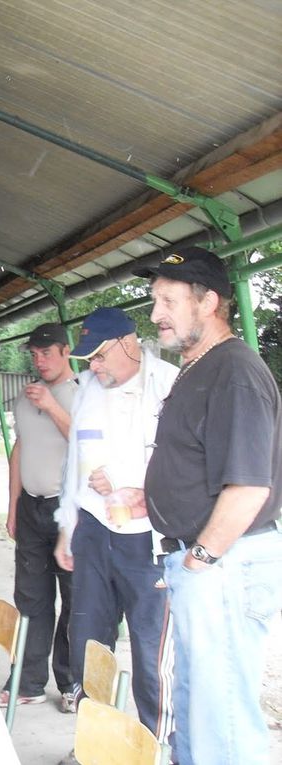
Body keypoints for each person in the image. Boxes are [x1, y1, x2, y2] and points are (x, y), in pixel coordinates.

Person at [134, 247, 282, 765]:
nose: (156, 315)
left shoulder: (235, 371)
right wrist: (151, 498)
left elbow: (248, 488)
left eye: (168, 300)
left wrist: (199, 559)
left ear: (209, 302)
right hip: (209, 563)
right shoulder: (200, 367)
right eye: (155, 300)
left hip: (224, 565)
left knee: (222, 715)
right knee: (198, 700)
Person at [54, 308, 177, 746]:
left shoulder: (169, 384)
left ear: (129, 343)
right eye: (89, 358)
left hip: (149, 539)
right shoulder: (88, 386)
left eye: (101, 356)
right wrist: (67, 526)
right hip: (92, 529)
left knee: (150, 653)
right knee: (87, 644)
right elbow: (74, 463)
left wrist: (135, 485)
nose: (94, 366)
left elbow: (185, 466)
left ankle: (156, 749)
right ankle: (94, 747)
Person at [0, 324, 77, 712]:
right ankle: (27, 682)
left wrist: (52, 405)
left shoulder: (83, 392)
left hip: (71, 510)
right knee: (30, 598)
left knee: (76, 599)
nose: (40, 360)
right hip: (31, 506)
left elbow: (85, 442)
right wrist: (13, 506)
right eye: (34, 354)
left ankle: (71, 683)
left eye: (47, 353)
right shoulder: (22, 399)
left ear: (67, 351)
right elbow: (20, 449)